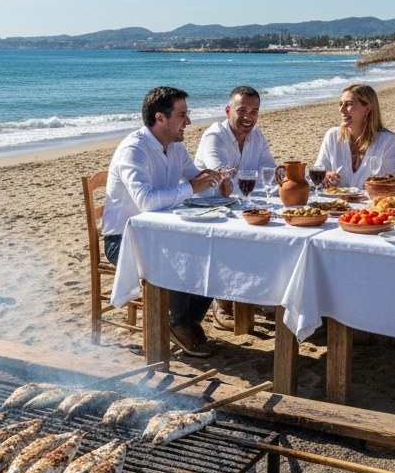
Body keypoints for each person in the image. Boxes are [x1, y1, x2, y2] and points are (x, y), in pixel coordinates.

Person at [102, 86, 230, 358]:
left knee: (214, 250)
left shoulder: (175, 148)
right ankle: (177, 321)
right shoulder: (133, 150)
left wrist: (217, 182)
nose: (189, 122)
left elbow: (197, 181)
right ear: (160, 118)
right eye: (182, 115)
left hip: (164, 233)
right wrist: (193, 187)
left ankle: (185, 319)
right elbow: (146, 202)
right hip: (124, 240)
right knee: (181, 256)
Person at [195, 85, 277, 330]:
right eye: (242, 110)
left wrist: (261, 182)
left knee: (269, 233)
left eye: (254, 111)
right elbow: (222, 181)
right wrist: (246, 183)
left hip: (240, 205)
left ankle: (251, 295)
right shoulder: (215, 136)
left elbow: (270, 173)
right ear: (228, 110)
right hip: (207, 208)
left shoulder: (257, 136)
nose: (248, 117)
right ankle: (222, 303)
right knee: (228, 240)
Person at [312, 84, 395, 189]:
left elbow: (391, 183)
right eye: (340, 104)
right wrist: (325, 176)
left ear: (367, 109)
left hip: (371, 204)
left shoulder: (386, 140)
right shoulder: (332, 136)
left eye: (348, 104)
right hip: (336, 203)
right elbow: (318, 172)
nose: (341, 110)